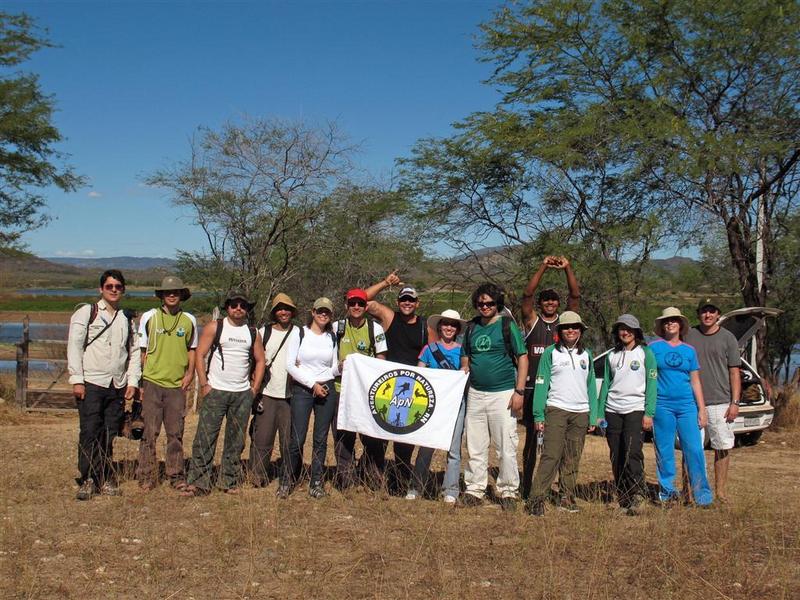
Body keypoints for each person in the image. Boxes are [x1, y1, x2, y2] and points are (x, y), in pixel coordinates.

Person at [183, 290, 265, 496]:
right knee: (205, 436)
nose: (238, 308)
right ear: (227, 307)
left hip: (241, 393)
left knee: (236, 440)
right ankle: (198, 481)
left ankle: (228, 481)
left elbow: (261, 360)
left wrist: (254, 389)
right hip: (216, 390)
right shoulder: (215, 326)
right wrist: (204, 384)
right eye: (234, 305)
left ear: (247, 310)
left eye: (243, 305)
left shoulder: (253, 332)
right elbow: (200, 354)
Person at [68, 269, 141, 500]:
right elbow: (74, 347)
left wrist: (132, 381)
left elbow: (134, 352)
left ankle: (105, 477)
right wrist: (77, 380)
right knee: (90, 431)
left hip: (116, 384)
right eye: (109, 286)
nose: (113, 290)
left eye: (118, 287)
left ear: (123, 290)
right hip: (91, 382)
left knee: (109, 432)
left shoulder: (126, 319)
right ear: (101, 289)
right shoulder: (86, 313)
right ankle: (88, 478)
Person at [460, 283, 528, 510]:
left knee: (505, 445)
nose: (485, 306)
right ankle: (474, 489)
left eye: (489, 303)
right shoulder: (471, 327)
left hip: (503, 393)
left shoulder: (507, 325)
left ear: (496, 303)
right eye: (480, 303)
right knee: (475, 445)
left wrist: (519, 391)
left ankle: (508, 491)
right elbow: (466, 358)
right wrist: (464, 373)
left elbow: (522, 358)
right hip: (476, 394)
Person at [519, 255, 580, 499]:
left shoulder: (565, 325)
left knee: (560, 444)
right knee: (532, 443)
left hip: (558, 394)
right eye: (546, 300)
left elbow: (575, 298)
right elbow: (526, 296)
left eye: (554, 299)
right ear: (541, 303)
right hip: (534, 390)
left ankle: (557, 488)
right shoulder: (531, 321)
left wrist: (568, 268)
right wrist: (543, 266)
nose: (550, 303)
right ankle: (527, 486)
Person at [526, 311, 598, 516]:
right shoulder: (551, 352)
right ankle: (536, 499)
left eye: (575, 327)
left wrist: (592, 415)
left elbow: (591, 385)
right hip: (556, 409)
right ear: (560, 331)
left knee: (572, 457)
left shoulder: (587, 354)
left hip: (581, 412)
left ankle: (566, 497)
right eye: (566, 327)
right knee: (551, 455)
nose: (571, 330)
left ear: (581, 330)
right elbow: (541, 383)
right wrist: (539, 415)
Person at [365, 272, 430, 493]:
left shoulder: (425, 326)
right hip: (387, 385)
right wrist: (385, 283)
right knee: (380, 436)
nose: (407, 303)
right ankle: (374, 479)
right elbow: (361, 299)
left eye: (411, 300)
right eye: (403, 299)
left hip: (412, 389)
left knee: (405, 440)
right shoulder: (389, 318)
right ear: (398, 302)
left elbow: (432, 353)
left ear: (417, 303)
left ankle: (400, 482)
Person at [136, 276, 198, 492]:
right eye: (167, 292)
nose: (172, 295)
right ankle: (146, 475)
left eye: (176, 292)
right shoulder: (149, 317)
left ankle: (176, 474)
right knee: (149, 433)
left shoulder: (188, 320)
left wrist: (190, 374)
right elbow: (142, 351)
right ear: (161, 295)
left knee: (175, 433)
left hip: (176, 385)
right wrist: (141, 381)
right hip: (153, 382)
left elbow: (192, 349)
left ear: (181, 295)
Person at [277, 297, 340, 499]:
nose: (323, 314)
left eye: (327, 312)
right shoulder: (299, 333)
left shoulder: (332, 337)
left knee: (321, 439)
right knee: (297, 437)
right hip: (303, 390)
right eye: (320, 311)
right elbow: (289, 365)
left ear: (330, 315)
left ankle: (316, 483)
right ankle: (287, 481)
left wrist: (342, 367)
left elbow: (332, 367)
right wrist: (312, 385)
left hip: (327, 389)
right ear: (312, 312)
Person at [650, 307, 713, 507]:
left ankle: (702, 496)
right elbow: (648, 379)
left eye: (674, 320)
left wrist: (702, 409)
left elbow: (695, 381)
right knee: (665, 450)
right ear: (662, 325)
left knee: (694, 449)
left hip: (687, 405)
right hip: (662, 405)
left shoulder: (689, 350)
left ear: (681, 325)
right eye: (667, 321)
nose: (670, 324)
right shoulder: (653, 348)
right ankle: (667, 494)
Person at [597, 314, 657, 514]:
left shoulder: (645, 353)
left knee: (632, 451)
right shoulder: (611, 355)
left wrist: (649, 412)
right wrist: (599, 412)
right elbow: (606, 383)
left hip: (635, 409)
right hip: (612, 410)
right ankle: (623, 495)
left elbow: (652, 384)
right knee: (617, 454)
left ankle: (638, 493)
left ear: (637, 332)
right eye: (622, 328)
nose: (625, 332)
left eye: (629, 329)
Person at [406, 309, 467, 502]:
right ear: (439, 327)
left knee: (454, 448)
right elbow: (419, 374)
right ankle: (416, 487)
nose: (449, 328)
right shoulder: (428, 350)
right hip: (432, 404)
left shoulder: (463, 351)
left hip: (455, 403)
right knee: (426, 445)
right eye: (446, 324)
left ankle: (450, 490)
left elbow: (467, 371)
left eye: (453, 325)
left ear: (457, 329)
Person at [331, 288, 388, 489]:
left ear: (366, 307)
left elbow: (381, 358)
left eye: (360, 304)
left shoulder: (375, 329)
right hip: (340, 389)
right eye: (352, 303)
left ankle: (373, 477)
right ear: (346, 305)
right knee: (343, 435)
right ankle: (346, 480)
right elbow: (326, 353)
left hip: (366, 392)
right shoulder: (336, 327)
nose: (356, 307)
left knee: (372, 436)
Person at [685, 298, 741, 503]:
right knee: (691, 448)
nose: (707, 315)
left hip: (721, 402)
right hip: (691, 402)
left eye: (711, 311)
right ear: (698, 314)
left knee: (722, 447)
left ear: (718, 314)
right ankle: (689, 491)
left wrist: (735, 402)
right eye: (703, 311)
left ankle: (721, 492)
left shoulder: (728, 338)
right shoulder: (688, 335)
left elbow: (734, 372)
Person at [248, 293, 297, 487]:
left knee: (289, 441)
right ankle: (256, 477)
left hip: (291, 396)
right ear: (274, 312)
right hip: (267, 393)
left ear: (292, 312)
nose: (283, 312)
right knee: (262, 439)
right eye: (279, 309)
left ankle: (290, 477)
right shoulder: (263, 332)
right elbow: (254, 361)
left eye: (286, 308)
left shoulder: (300, 333)